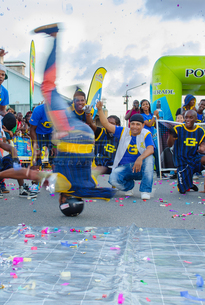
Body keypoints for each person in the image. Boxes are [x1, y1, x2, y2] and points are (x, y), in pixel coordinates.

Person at [34, 23, 116, 206]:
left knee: (50, 88)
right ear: (65, 198)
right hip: (72, 130)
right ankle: (54, 37)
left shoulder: (90, 185)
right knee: (47, 85)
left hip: (84, 136)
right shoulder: (62, 186)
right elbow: (29, 174)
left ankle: (54, 38)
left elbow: (100, 170)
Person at [101, 110, 154, 200]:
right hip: (125, 168)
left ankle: (145, 190)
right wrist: (99, 109)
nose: (135, 127)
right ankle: (129, 186)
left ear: (143, 125)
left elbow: (151, 148)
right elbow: (106, 124)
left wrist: (140, 158)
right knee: (112, 179)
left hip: (140, 168)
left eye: (138, 124)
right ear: (129, 124)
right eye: (133, 124)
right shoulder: (122, 131)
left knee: (150, 158)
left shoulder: (146, 134)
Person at [167, 110, 205, 196]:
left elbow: (203, 145)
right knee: (182, 190)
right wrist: (171, 135)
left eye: (191, 117)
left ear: (196, 119)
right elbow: (169, 144)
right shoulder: (177, 129)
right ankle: (189, 184)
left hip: (193, 158)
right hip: (181, 160)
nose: (188, 119)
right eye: (186, 117)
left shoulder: (200, 131)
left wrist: (202, 148)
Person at [29, 103, 54, 194]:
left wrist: (54, 146)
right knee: (36, 157)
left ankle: (57, 182)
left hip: (51, 133)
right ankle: (35, 184)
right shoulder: (38, 110)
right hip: (37, 133)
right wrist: (36, 146)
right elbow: (32, 129)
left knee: (55, 156)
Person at [139, 99, 160, 177]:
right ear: (141, 106)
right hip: (144, 137)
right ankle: (141, 173)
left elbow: (155, 125)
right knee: (144, 155)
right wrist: (154, 116)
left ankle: (159, 173)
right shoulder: (142, 116)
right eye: (143, 104)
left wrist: (156, 115)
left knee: (157, 154)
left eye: (147, 104)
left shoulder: (151, 114)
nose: (145, 106)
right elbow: (150, 124)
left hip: (151, 138)